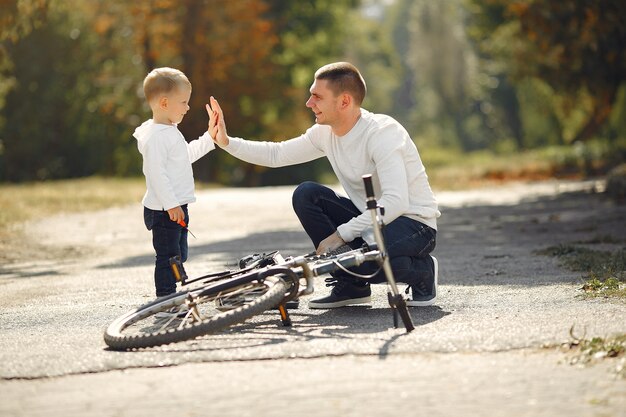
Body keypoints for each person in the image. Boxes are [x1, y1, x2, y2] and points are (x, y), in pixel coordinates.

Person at [208, 62, 440, 308]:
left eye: (317, 97)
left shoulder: (383, 132)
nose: (309, 103)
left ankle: (423, 271)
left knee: (366, 260)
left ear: (344, 102)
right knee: (307, 194)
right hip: (371, 221)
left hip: (415, 224)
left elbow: (395, 201)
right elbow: (276, 154)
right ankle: (352, 287)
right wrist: (226, 142)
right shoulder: (324, 132)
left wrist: (341, 235)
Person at [134, 67, 217, 309]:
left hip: (176, 206)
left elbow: (183, 157)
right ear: (163, 102)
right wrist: (171, 205)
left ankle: (172, 294)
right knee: (168, 256)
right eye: (183, 102)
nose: (187, 107)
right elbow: (156, 174)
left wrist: (208, 138)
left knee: (179, 254)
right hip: (164, 210)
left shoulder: (169, 131)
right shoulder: (156, 137)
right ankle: (166, 300)